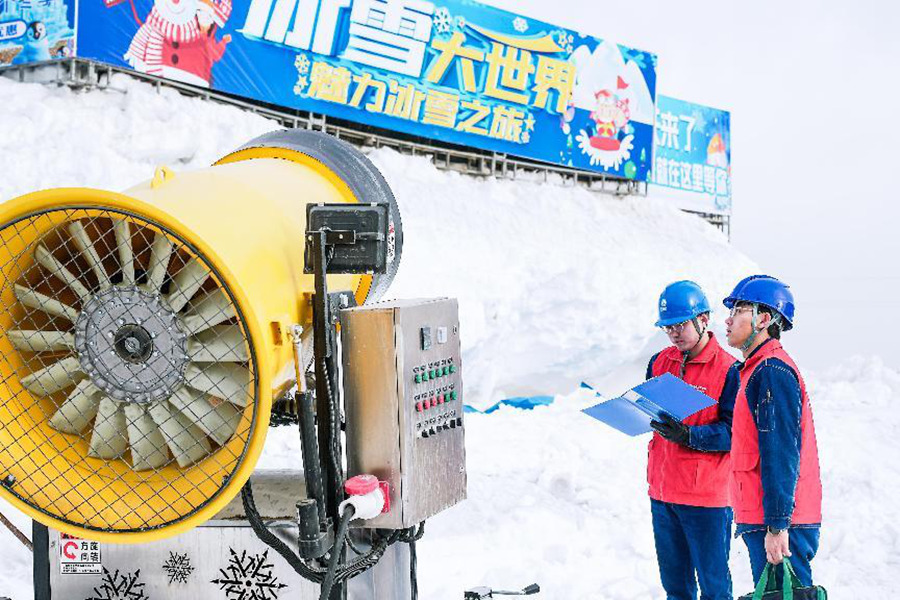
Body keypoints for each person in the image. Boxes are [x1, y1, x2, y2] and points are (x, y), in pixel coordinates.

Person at [722, 275, 822, 587]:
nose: (727, 319)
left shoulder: (772, 371)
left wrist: (778, 525)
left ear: (763, 319)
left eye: (738, 309)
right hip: (767, 516)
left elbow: (780, 451)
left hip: (779, 521)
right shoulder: (757, 369)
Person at [646, 281, 740, 600]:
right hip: (663, 493)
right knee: (676, 588)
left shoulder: (730, 371)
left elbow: (735, 434)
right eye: (668, 327)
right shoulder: (659, 363)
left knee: (714, 589)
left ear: (703, 319)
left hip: (706, 500)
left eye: (681, 325)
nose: (674, 334)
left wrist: (689, 435)